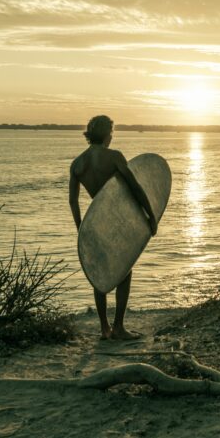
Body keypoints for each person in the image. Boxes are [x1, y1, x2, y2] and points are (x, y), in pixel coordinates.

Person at [69, 115, 157, 340]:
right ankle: (118, 327)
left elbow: (73, 200)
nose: (111, 136)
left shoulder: (78, 163)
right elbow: (135, 187)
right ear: (107, 134)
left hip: (94, 225)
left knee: (99, 274)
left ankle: (104, 328)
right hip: (116, 223)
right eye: (111, 132)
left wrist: (81, 229)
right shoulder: (114, 157)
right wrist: (151, 215)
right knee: (124, 270)